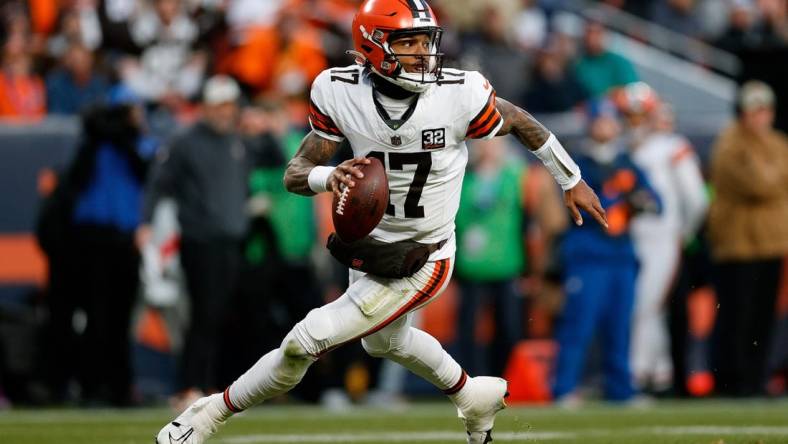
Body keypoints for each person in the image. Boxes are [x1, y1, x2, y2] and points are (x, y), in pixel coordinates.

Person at [155, 1, 606, 443]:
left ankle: (208, 416)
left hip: (424, 255)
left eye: (425, 42)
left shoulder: (459, 93)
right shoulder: (339, 91)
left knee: (304, 341)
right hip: (369, 247)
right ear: (373, 45)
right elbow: (294, 174)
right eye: (408, 42)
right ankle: (472, 395)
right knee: (385, 343)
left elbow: (522, 122)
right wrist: (329, 175)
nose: (422, 54)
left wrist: (571, 179)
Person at [140, 75, 250, 409]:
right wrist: (145, 223)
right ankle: (188, 385)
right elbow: (159, 183)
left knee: (220, 315)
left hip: (232, 239)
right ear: (205, 107)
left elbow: (274, 155)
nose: (224, 113)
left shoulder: (238, 139)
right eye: (218, 106)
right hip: (200, 238)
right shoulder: (185, 141)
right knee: (203, 314)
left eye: (229, 106)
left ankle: (208, 383)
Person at [552, 99, 661, 405]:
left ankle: (620, 389)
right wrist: (619, 200)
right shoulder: (578, 164)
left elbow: (656, 202)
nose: (606, 126)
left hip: (621, 257)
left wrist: (638, 202)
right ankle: (563, 388)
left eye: (610, 121)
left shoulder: (626, 161)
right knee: (578, 324)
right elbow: (583, 210)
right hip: (588, 256)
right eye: (601, 121)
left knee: (620, 327)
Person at [613, 83, 709, 393]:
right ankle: (660, 370)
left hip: (661, 237)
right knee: (644, 306)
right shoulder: (625, 148)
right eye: (630, 115)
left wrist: (683, 230)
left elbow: (696, 198)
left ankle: (638, 372)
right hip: (629, 238)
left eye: (639, 115)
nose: (634, 122)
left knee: (644, 304)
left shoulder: (671, 147)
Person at [454, 136, 567, 377]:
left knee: (510, 328)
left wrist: (535, 268)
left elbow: (540, 221)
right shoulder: (463, 178)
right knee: (469, 330)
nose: (488, 148)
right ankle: (469, 382)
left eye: (493, 143)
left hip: (509, 264)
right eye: (483, 143)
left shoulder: (519, 177)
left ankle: (504, 380)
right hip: (470, 266)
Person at [708, 80, 788, 396]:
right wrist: (773, 176)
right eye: (754, 111)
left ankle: (755, 379)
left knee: (763, 318)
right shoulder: (729, 144)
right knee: (735, 317)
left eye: (765, 110)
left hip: (772, 242)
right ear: (742, 114)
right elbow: (758, 185)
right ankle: (731, 381)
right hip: (736, 245)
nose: (760, 117)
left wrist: (768, 175)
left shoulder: (778, 143)